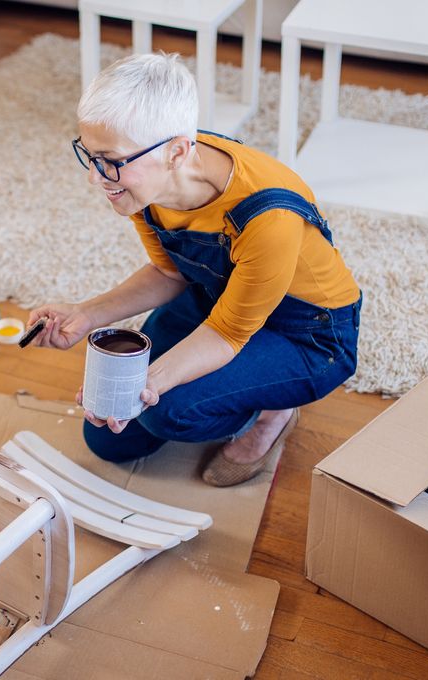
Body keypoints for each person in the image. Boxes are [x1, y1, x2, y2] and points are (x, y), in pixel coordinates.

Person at [27, 52, 362, 486]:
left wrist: (144, 386)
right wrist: (86, 314)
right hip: (216, 297)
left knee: (167, 412)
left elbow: (226, 334)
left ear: (177, 151)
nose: (95, 176)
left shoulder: (268, 215)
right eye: (89, 155)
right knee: (110, 442)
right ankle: (238, 388)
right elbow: (169, 273)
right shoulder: (145, 181)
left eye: (108, 160)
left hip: (307, 333)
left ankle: (274, 413)